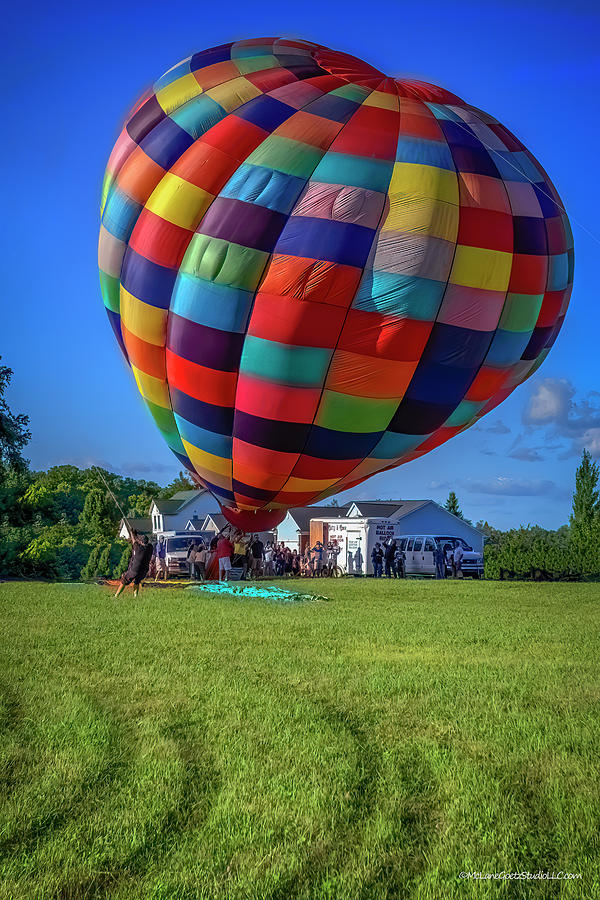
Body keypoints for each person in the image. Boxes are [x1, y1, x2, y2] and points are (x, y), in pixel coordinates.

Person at [115, 530, 153, 598]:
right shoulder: (150, 548)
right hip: (144, 571)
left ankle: (116, 596)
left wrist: (132, 533)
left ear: (141, 542)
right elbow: (138, 541)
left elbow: (134, 540)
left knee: (124, 580)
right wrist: (136, 535)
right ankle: (135, 596)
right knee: (137, 581)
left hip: (135, 570)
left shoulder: (137, 547)